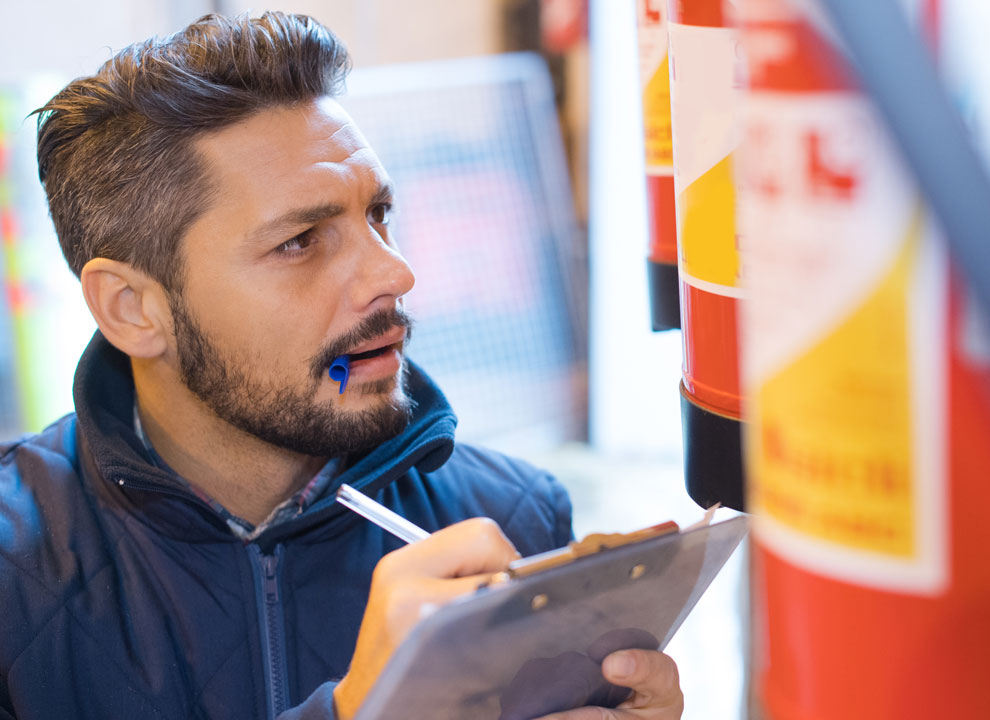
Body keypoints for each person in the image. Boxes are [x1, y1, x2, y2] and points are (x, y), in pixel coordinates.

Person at [0, 12, 683, 720]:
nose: (395, 274)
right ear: (133, 309)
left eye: (378, 212)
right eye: (300, 241)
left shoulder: (514, 520)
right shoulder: (17, 570)